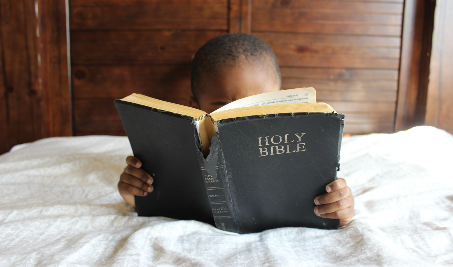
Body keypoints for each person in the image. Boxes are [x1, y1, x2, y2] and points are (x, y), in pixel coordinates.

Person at [117, 33, 354, 227]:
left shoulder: (302, 148)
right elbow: (162, 200)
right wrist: (136, 194)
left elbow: (331, 206)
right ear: (194, 106)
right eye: (224, 107)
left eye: (260, 103)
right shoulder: (177, 153)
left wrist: (339, 209)